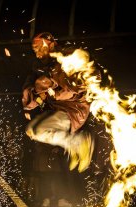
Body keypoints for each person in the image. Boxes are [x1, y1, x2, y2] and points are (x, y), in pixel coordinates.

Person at [22, 32, 101, 173]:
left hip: (73, 108)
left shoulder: (67, 57)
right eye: (35, 50)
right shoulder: (38, 68)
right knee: (31, 130)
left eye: (40, 48)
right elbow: (29, 101)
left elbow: (79, 84)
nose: (38, 53)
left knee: (40, 130)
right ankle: (73, 146)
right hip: (57, 109)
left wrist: (55, 87)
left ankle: (79, 143)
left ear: (51, 44)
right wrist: (38, 90)